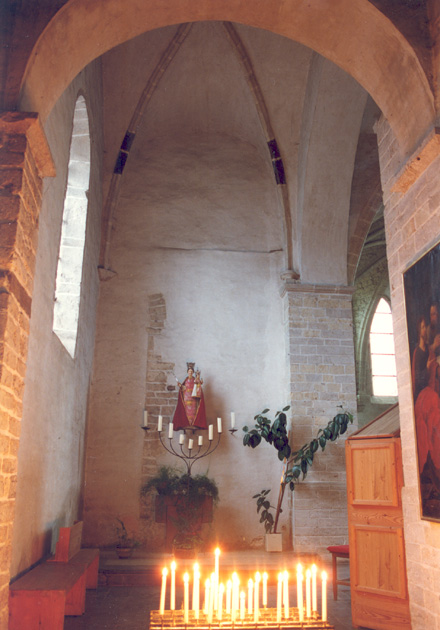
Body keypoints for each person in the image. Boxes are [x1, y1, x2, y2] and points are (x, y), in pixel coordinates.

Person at [172, 363, 208, 430]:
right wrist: (180, 386)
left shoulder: (195, 379)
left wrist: (199, 382)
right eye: (189, 371)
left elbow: (198, 385)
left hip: (193, 398)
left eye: (191, 371)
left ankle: (193, 423)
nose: (190, 372)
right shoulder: (186, 380)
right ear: (187, 372)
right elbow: (183, 388)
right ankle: (187, 423)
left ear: (193, 372)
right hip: (186, 398)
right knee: (187, 411)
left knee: (193, 411)